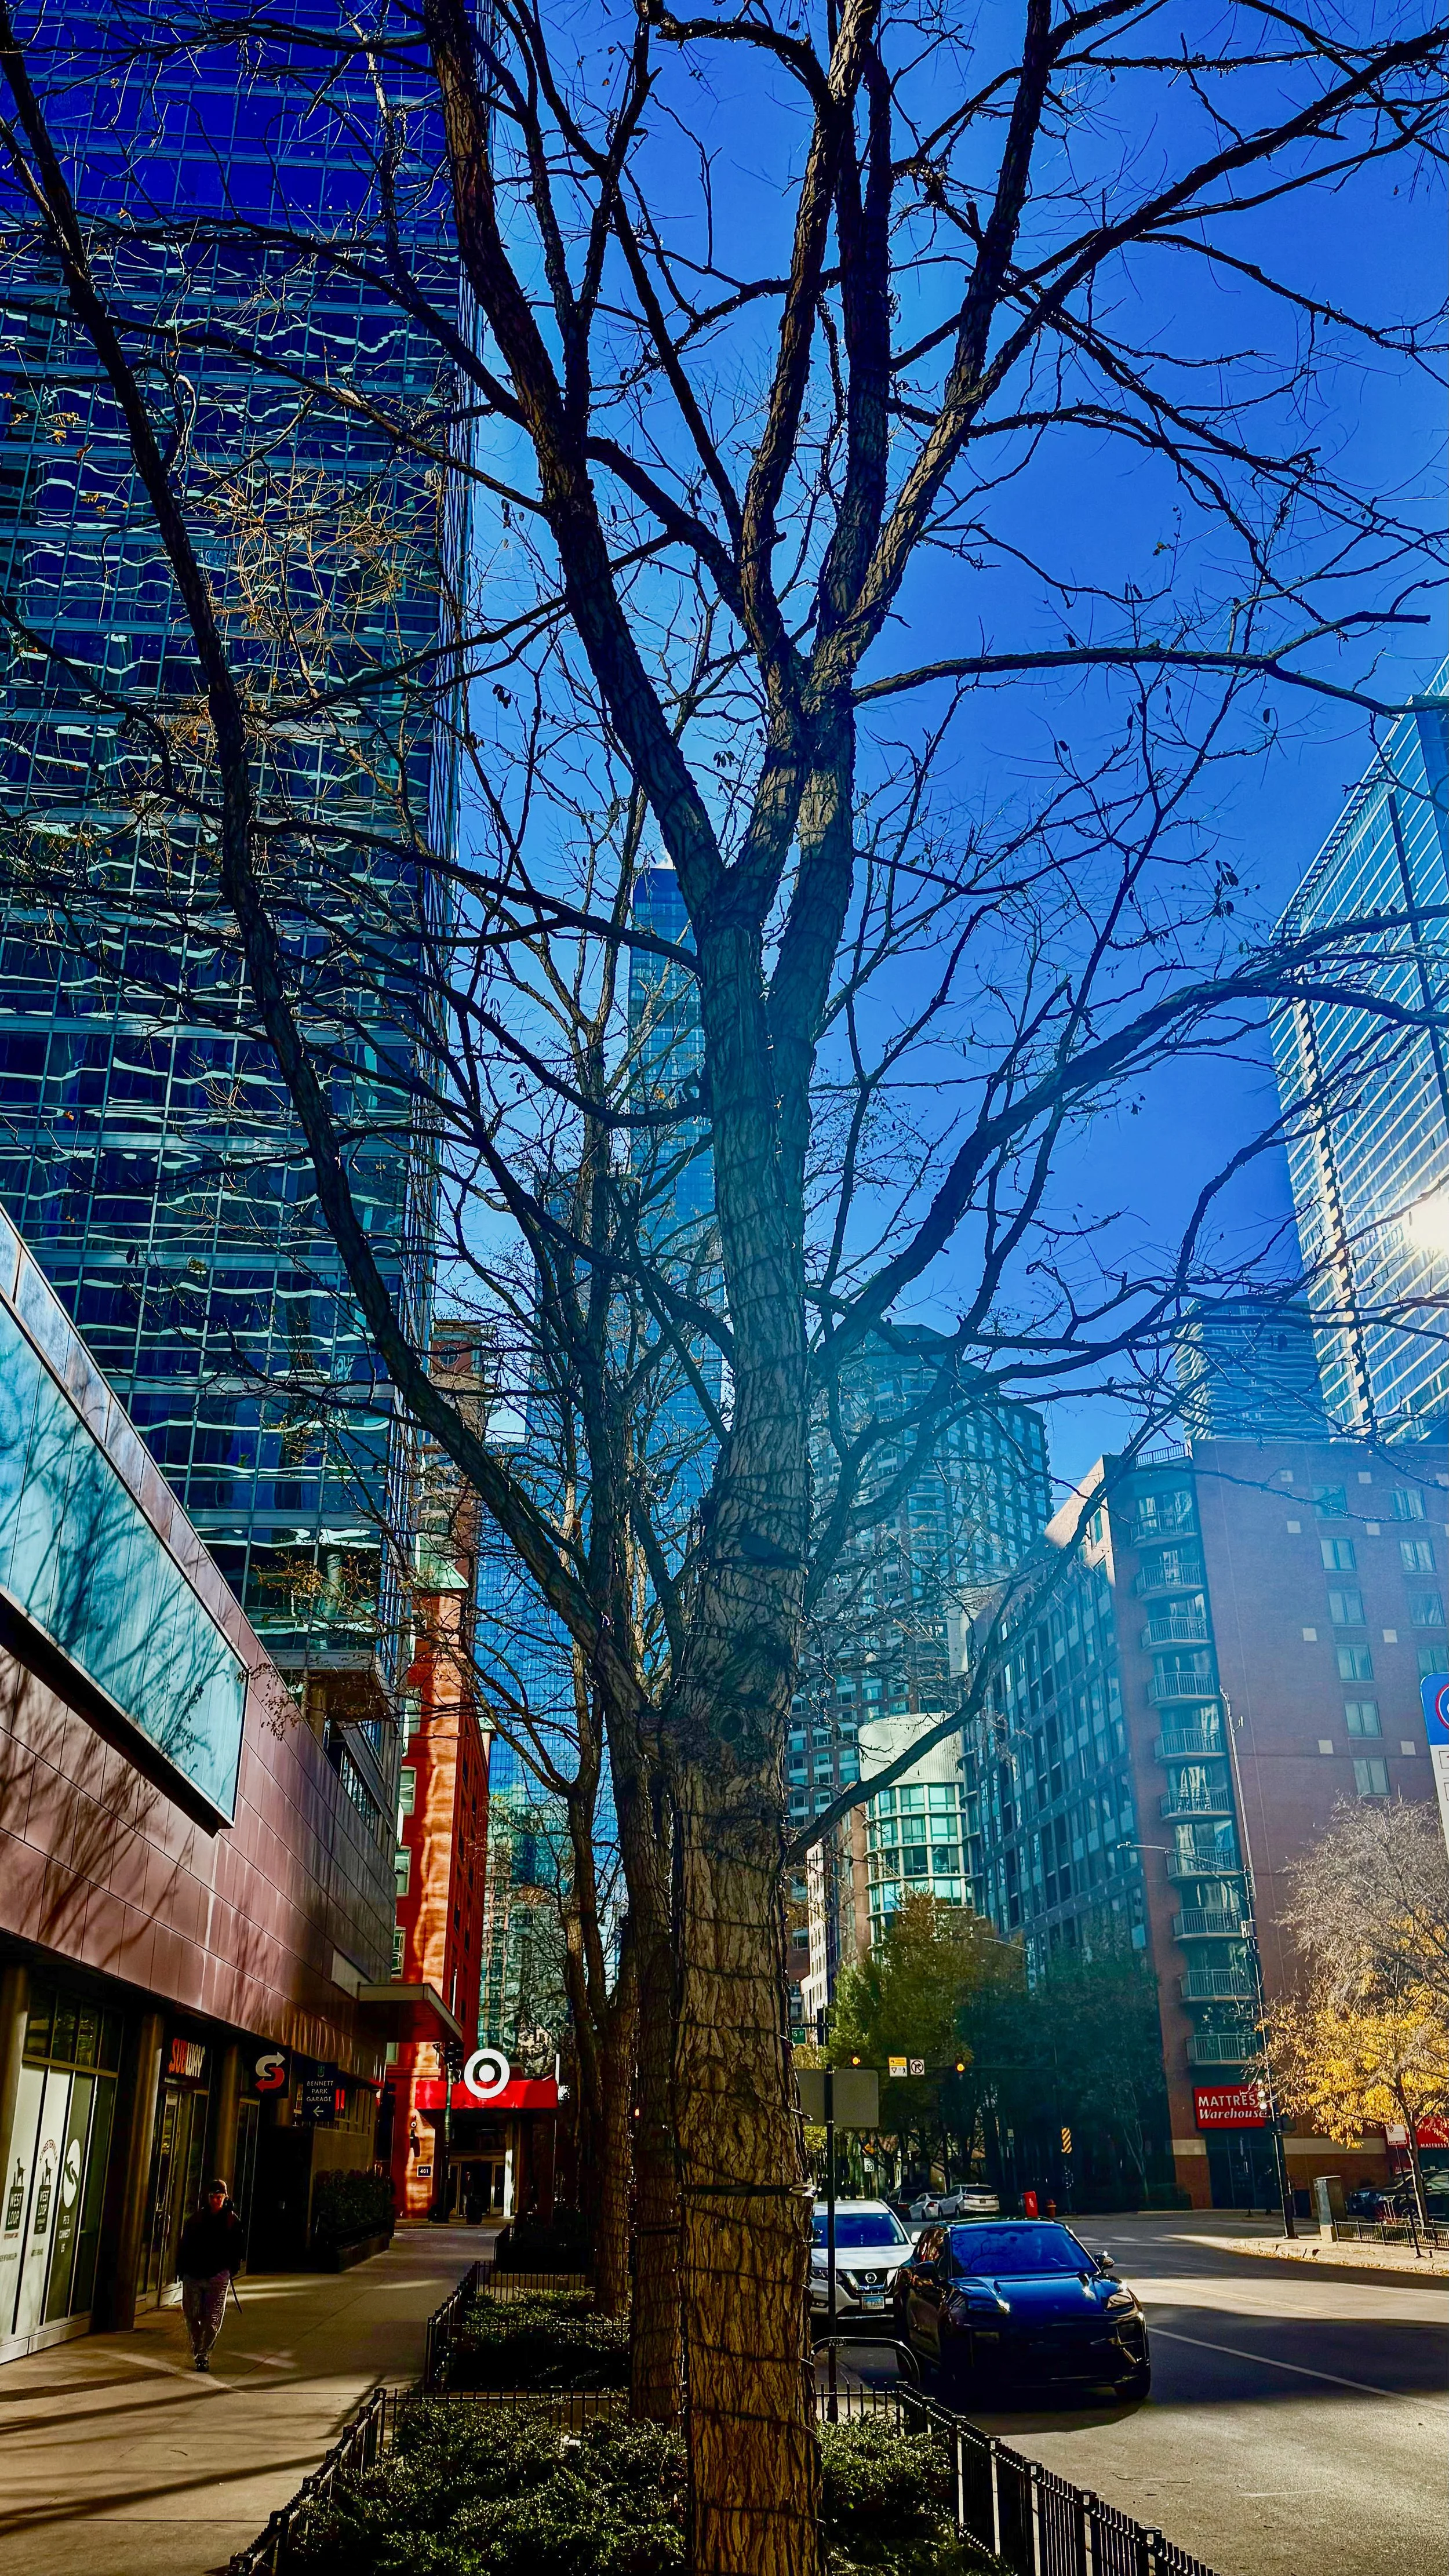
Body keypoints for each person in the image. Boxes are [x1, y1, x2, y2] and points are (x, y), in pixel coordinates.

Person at [177, 2178, 245, 2373]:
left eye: (220, 2197)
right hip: (194, 2274)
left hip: (217, 2275)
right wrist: (182, 2270)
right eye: (214, 2197)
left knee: (213, 2318)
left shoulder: (232, 2221)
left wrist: (231, 2269)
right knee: (192, 2315)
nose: (217, 2200)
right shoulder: (197, 2220)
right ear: (208, 2198)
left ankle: (203, 2354)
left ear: (225, 2197)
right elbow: (185, 2245)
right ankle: (199, 2348)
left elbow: (238, 2248)